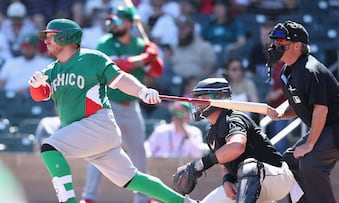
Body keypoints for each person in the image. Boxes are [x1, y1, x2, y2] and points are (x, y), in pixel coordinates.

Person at [28, 18, 198, 203]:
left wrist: (142, 91)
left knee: (50, 147)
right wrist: (36, 85)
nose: (46, 41)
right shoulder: (52, 69)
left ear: (66, 38)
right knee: (132, 179)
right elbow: (40, 95)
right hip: (89, 135)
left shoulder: (91, 59)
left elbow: (121, 79)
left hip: (96, 124)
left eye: (51, 36)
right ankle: (183, 202)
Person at [266, 20, 339, 203]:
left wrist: (309, 145)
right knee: (289, 162)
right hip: (326, 126)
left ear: (297, 45)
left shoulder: (311, 70)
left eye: (282, 41)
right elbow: (296, 102)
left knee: (310, 165)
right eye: (275, 42)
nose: (276, 45)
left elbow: (320, 109)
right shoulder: (287, 72)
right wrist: (279, 113)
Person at [80, 6, 163, 203]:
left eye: (118, 20)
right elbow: (120, 66)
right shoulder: (105, 43)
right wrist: (145, 58)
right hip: (109, 105)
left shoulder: (139, 44)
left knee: (138, 152)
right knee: (101, 149)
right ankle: (89, 197)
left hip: (132, 106)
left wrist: (154, 54)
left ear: (129, 24)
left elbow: (157, 72)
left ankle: (143, 198)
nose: (113, 23)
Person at [173, 77, 295, 203]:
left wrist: (200, 165)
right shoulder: (211, 133)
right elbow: (225, 162)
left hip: (277, 177)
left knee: (249, 167)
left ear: (218, 98)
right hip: (248, 183)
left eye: (202, 98)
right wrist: (227, 180)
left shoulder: (233, 118)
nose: (197, 103)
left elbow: (237, 146)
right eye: (196, 99)